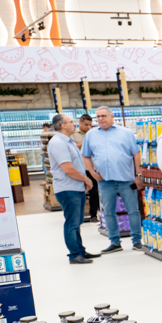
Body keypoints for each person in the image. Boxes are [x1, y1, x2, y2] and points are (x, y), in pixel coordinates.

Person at [81, 107, 143, 253]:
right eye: (98, 116)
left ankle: (137, 241)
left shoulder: (126, 133)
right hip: (104, 181)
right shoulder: (91, 135)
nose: (100, 119)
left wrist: (138, 175)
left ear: (111, 116)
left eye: (103, 116)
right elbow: (85, 155)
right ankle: (115, 242)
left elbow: (136, 154)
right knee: (108, 212)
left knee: (133, 211)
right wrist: (92, 173)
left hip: (127, 180)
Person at [47, 113, 99, 264]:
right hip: (67, 189)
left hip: (75, 187)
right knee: (71, 222)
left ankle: (80, 250)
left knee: (76, 222)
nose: (73, 124)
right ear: (63, 125)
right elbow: (68, 168)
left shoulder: (68, 141)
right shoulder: (58, 142)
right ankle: (75, 254)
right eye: (70, 122)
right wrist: (86, 178)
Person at [75, 114, 101, 222]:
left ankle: (94, 215)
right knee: (79, 192)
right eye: (86, 125)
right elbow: (72, 148)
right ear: (80, 123)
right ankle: (78, 216)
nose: (88, 127)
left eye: (90, 125)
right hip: (79, 168)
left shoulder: (95, 133)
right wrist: (85, 141)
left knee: (94, 192)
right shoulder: (73, 134)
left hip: (93, 166)